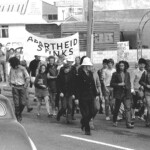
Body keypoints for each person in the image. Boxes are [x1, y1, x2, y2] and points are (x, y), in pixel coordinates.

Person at [77, 57, 98, 135]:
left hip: (91, 95)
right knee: (86, 113)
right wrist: (77, 97)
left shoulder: (90, 73)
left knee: (93, 111)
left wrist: (96, 94)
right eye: (88, 65)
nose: (90, 67)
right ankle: (87, 129)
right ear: (85, 66)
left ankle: (83, 121)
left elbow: (93, 84)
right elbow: (77, 87)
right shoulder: (79, 74)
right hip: (83, 96)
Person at [111, 61, 134, 129]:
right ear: (118, 66)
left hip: (126, 93)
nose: (121, 67)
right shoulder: (115, 74)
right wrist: (119, 84)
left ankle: (128, 123)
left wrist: (129, 90)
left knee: (128, 108)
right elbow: (112, 83)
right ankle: (115, 120)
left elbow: (129, 83)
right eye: (120, 65)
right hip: (118, 93)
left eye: (123, 65)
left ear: (125, 66)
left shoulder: (127, 74)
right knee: (117, 108)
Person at [8, 57, 30, 122]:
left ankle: (18, 113)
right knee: (16, 104)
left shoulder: (22, 69)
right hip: (15, 87)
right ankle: (18, 116)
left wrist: (25, 86)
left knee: (23, 103)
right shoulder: (11, 69)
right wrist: (10, 84)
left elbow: (27, 77)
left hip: (22, 87)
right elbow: (9, 76)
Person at [139, 59, 150, 127]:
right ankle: (148, 121)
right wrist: (146, 85)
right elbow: (140, 81)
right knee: (149, 106)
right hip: (147, 92)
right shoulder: (145, 73)